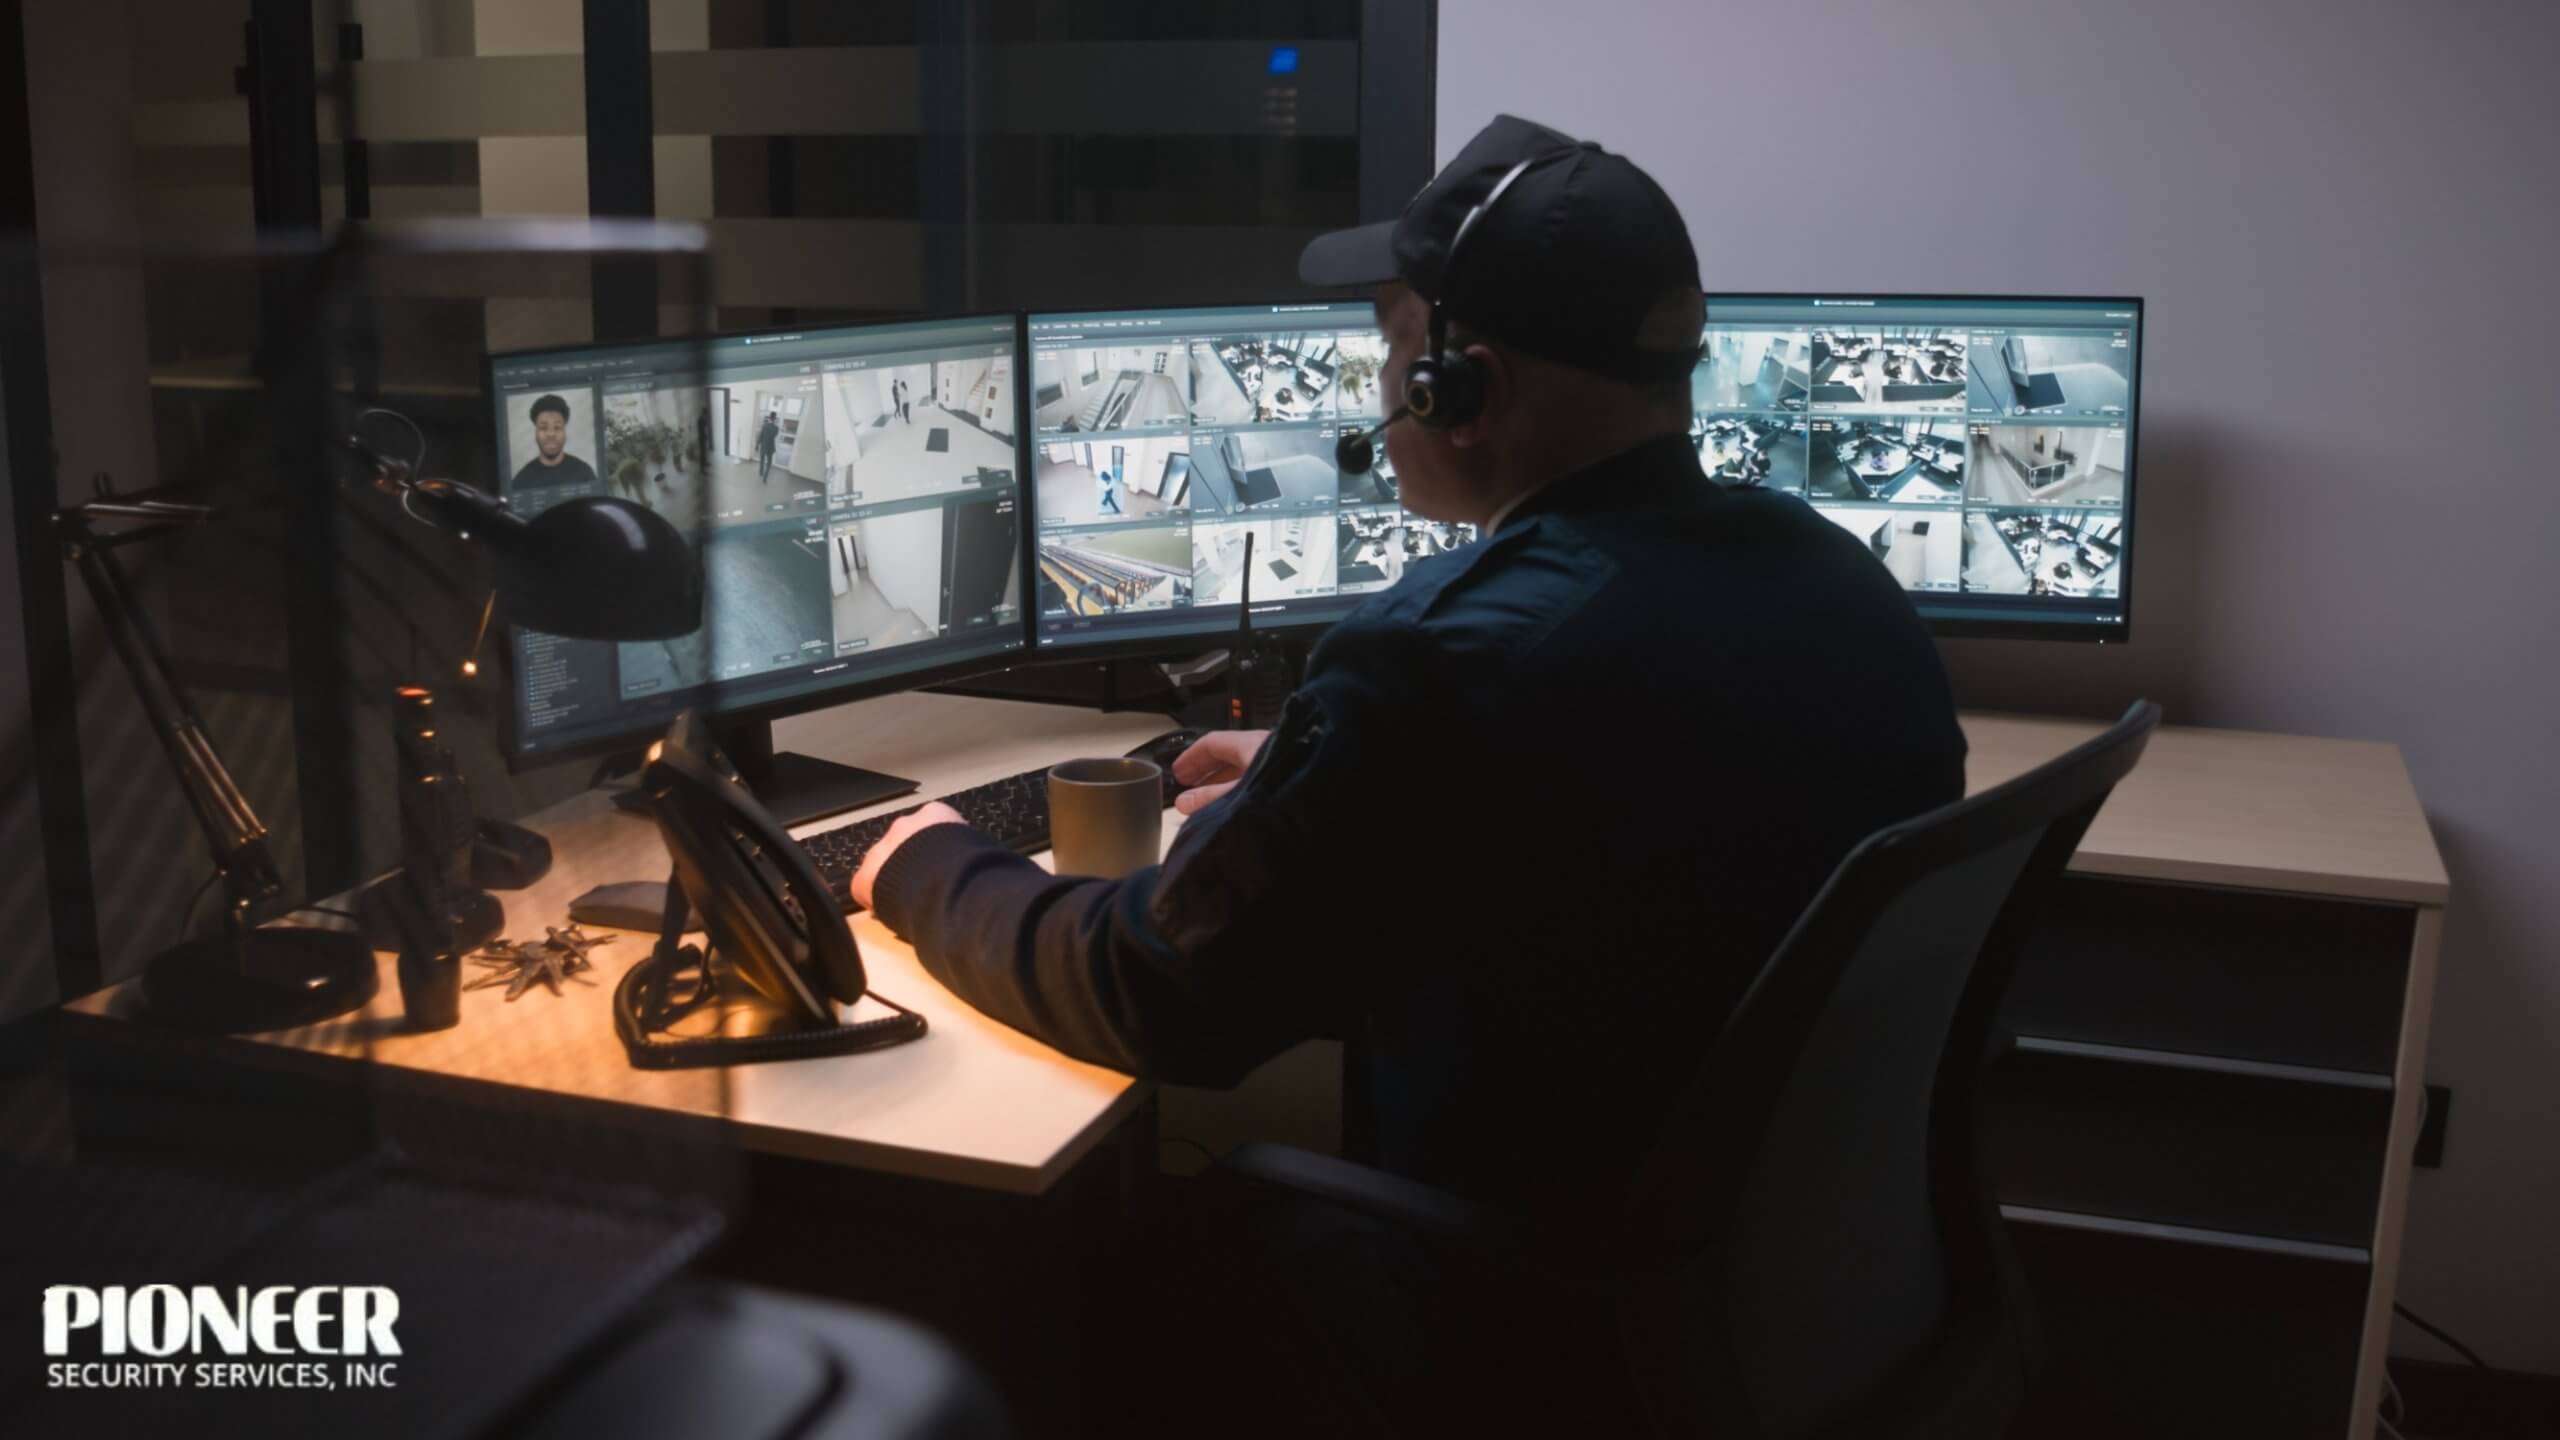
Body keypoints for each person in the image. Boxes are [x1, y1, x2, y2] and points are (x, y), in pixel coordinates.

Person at [849, 114, 1964, 1432]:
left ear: (1462, 387)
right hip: (1782, 1302)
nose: (1385, 382)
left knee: (1088, 1270)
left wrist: (926, 867)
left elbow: (1160, 995)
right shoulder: (1835, 580)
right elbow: (1613, 788)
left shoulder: (1449, 660)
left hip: (1534, 1326)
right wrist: (1316, 768)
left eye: (1392, 347)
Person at [511, 394, 598, 490]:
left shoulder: (584, 473)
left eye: (557, 427)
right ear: (536, 432)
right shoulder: (521, 481)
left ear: (564, 431)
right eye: (543, 427)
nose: (551, 434)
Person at [755, 408, 780, 483]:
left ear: (769, 417)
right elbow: (774, 436)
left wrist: (757, 445)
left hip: (763, 446)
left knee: (762, 460)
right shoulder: (776, 428)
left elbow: (760, 436)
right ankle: (765, 477)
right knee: (769, 463)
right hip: (770, 447)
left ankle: (761, 472)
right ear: (775, 418)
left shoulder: (764, 425)